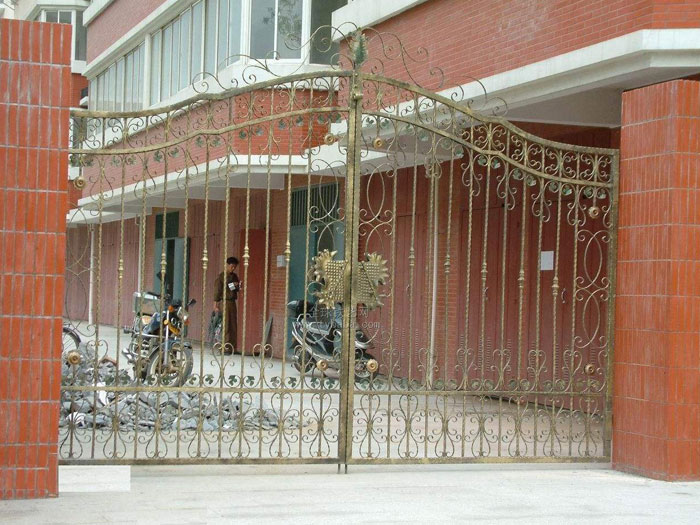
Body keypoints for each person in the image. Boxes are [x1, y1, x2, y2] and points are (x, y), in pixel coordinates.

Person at [213, 256, 240, 355]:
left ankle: (232, 347)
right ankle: (224, 347)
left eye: (235, 267)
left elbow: (235, 289)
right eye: (232, 266)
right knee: (226, 325)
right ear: (227, 265)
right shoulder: (221, 277)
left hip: (232, 302)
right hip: (224, 301)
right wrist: (215, 305)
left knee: (233, 324)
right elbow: (217, 291)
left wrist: (237, 286)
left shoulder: (235, 276)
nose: (233, 268)